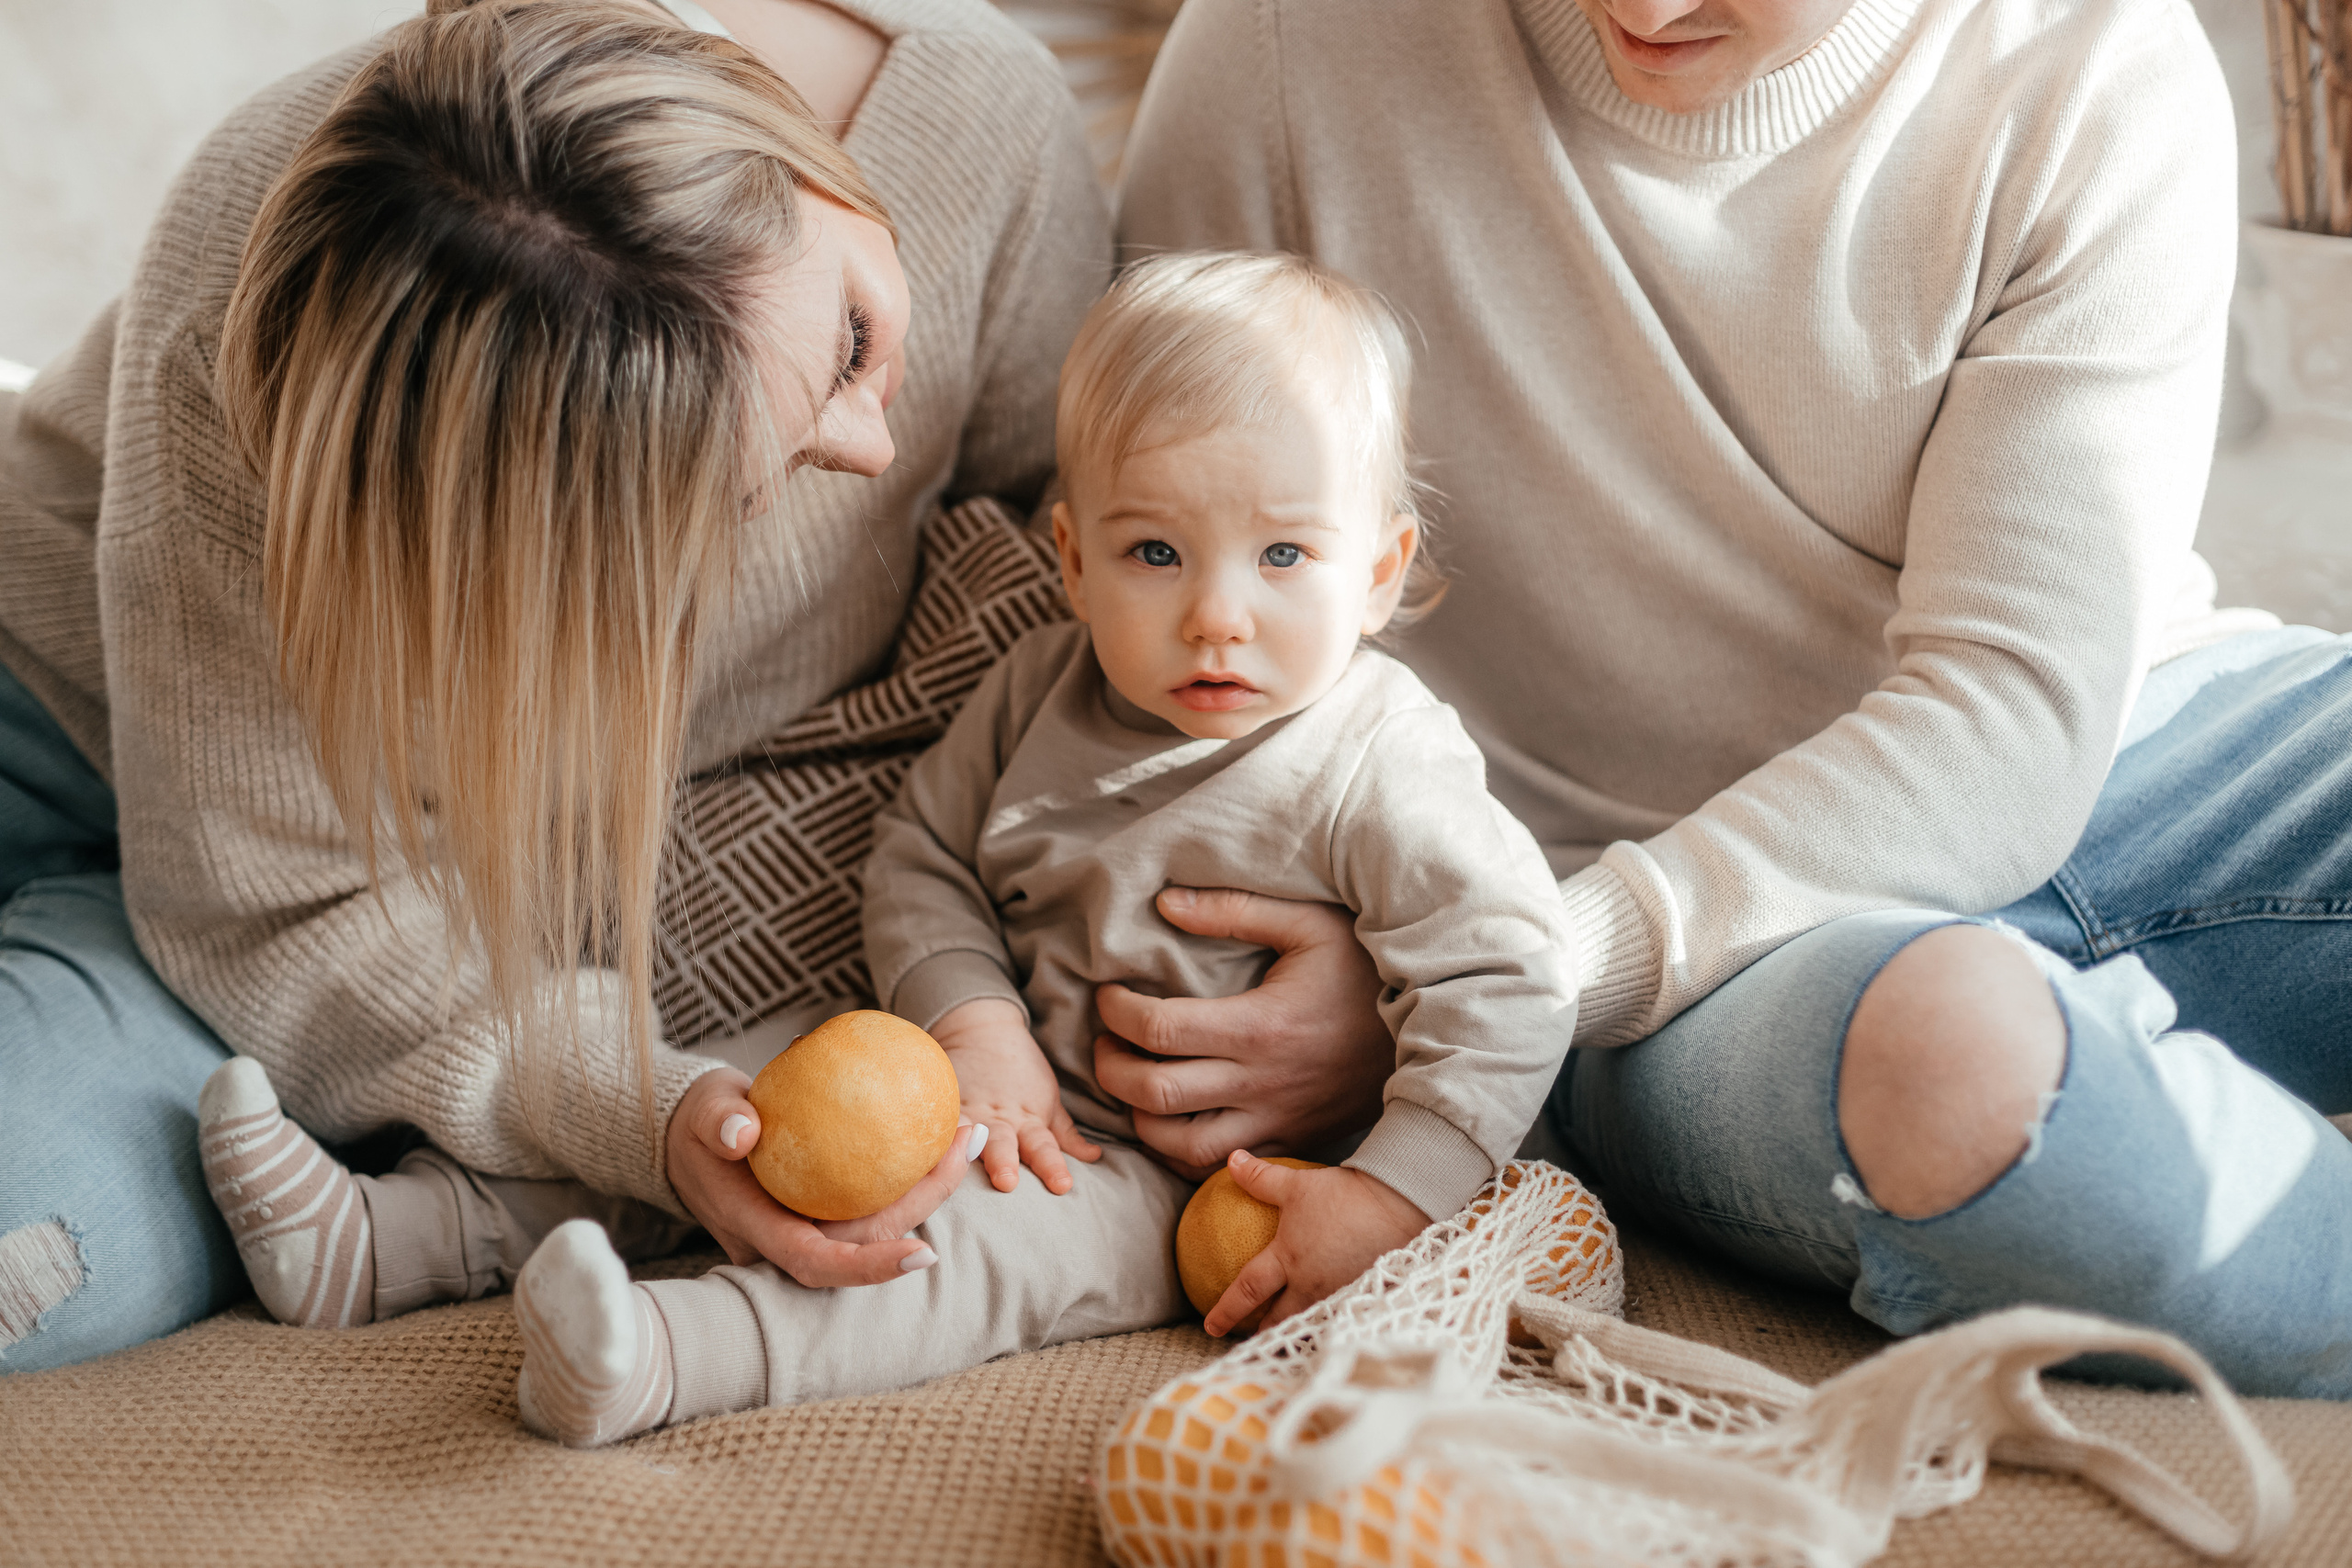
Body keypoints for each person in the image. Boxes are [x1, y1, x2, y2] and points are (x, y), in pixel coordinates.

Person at [1109, 0, 2352, 1396]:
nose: (1643, 9)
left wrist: (1490, 979)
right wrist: (1452, 968)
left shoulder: (2088, 60)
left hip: (2116, 761)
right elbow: (1137, 562)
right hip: (1657, 951)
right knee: (1962, 1065)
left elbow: (2012, 712)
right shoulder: (1290, 43)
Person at [0, 0, 1106, 1371]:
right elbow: (265, 891)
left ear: (793, 146)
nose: (877, 450)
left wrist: (649, 1104)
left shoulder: (976, 118)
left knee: (23, 1249)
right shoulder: (274, 290)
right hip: (50, 699)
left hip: (270, 944)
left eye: (855, 336)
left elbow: (1084, 562)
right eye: (743, 488)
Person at [502, 250, 1578, 1448]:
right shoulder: (1037, 690)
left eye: (1283, 557)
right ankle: (393, 1236)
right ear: (1072, 560)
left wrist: (1390, 1192)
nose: (1219, 613)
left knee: (960, 1262)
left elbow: (1513, 974)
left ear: (1378, 573)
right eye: (1156, 554)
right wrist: (975, 1022)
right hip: (972, 1071)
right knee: (729, 1107)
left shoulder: (1382, 760)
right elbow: (921, 858)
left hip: (1159, 1172)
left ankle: (664, 1356)